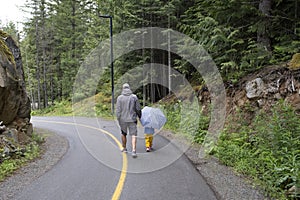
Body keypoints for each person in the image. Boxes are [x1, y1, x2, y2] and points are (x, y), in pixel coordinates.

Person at [116, 83, 141, 158]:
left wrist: (118, 118)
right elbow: (138, 108)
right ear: (129, 88)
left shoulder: (119, 98)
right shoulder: (134, 97)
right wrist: (140, 116)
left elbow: (118, 110)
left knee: (124, 133)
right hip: (132, 119)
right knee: (134, 134)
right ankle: (134, 150)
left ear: (123, 89)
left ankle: (124, 148)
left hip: (123, 119)